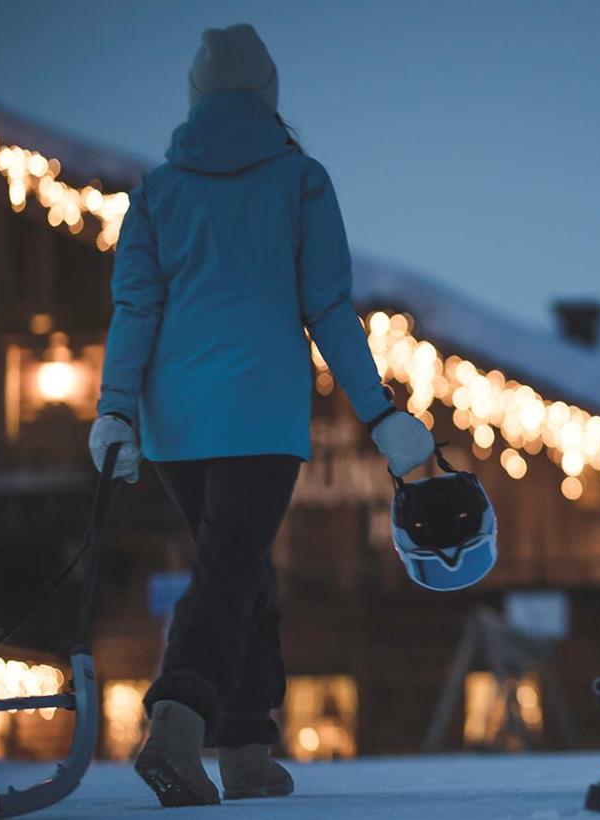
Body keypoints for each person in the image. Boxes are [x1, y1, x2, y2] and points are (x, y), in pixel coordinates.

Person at [89, 23, 434, 808]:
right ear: (267, 98)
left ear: (196, 99)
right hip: (261, 416)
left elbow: (135, 307)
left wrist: (116, 411)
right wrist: (379, 414)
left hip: (174, 422)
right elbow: (330, 309)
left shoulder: (156, 190)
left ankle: (244, 743)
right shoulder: (299, 180)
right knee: (230, 569)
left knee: (244, 568)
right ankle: (176, 722)